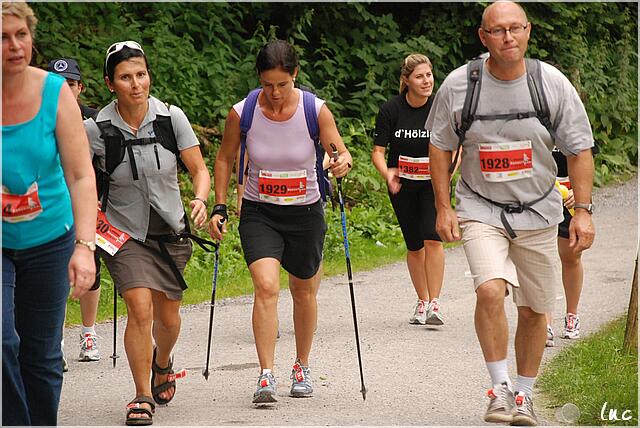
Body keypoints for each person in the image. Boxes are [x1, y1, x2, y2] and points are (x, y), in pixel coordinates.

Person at [426, 1, 595, 425]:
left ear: (528, 31)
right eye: (497, 31)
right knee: (489, 290)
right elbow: (440, 146)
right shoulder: (459, 85)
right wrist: (443, 206)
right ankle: (498, 388)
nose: (508, 38)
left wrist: (584, 211)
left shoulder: (549, 83)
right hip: (480, 206)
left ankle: (523, 394)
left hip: (539, 209)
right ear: (483, 37)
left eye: (515, 29)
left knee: (536, 310)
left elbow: (579, 149)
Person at [208, 39, 353, 404]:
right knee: (266, 286)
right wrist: (220, 205)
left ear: (295, 76)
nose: (274, 93)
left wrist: (341, 162)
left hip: (305, 212)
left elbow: (340, 151)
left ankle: (301, 365)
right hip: (260, 211)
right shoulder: (242, 113)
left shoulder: (314, 111)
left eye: (282, 84)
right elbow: (225, 159)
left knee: (303, 291)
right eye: (267, 84)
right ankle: (266, 373)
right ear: (259, 79)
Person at [84, 40, 210, 425]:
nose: (136, 84)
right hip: (124, 235)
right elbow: (81, 181)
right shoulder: (96, 130)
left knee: (168, 318)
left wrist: (202, 199)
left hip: (171, 231)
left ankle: (163, 360)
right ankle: (141, 395)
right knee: (139, 309)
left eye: (141, 74)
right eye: (125, 77)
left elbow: (198, 170)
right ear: (110, 83)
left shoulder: (171, 119)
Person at [2, 2, 98, 425]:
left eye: (21, 35)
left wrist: (84, 246)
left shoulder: (55, 93)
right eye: (3, 37)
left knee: (41, 353)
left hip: (50, 239)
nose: (14, 45)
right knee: (2, 341)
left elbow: (80, 175)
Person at [371, 53, 445, 326]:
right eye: (419, 77)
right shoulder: (391, 109)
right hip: (402, 185)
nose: (426, 81)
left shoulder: (440, 107)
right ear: (406, 80)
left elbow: (456, 145)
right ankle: (422, 300)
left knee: (432, 238)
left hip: (432, 184)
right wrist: (386, 173)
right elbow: (378, 152)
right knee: (415, 245)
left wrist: (448, 169)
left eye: (429, 75)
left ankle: (435, 302)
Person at [48, 57, 102, 368]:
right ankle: (55, 339)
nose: (65, 91)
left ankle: (88, 332)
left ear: (80, 87)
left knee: (88, 269)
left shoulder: (95, 122)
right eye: (58, 85)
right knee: (54, 273)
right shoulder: (39, 117)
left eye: (70, 84)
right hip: (52, 206)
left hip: (87, 206)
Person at [545, 146, 593, 347]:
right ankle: (544, 322)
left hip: (570, 196)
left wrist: (581, 194)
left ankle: (572, 315)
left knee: (571, 255)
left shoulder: (573, 116)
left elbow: (586, 158)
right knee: (540, 257)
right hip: (540, 195)